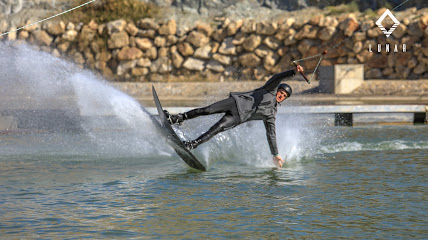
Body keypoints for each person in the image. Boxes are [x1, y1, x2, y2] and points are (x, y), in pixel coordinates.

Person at [165, 65, 304, 167]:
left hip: (237, 118)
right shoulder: (269, 89)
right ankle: (176, 118)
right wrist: (293, 72)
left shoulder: (271, 115)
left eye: (284, 96)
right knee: (207, 110)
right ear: (278, 90)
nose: (281, 95)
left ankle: (191, 145)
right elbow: (277, 77)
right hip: (234, 103)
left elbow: (271, 134)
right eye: (281, 92)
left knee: (215, 129)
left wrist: (275, 155)